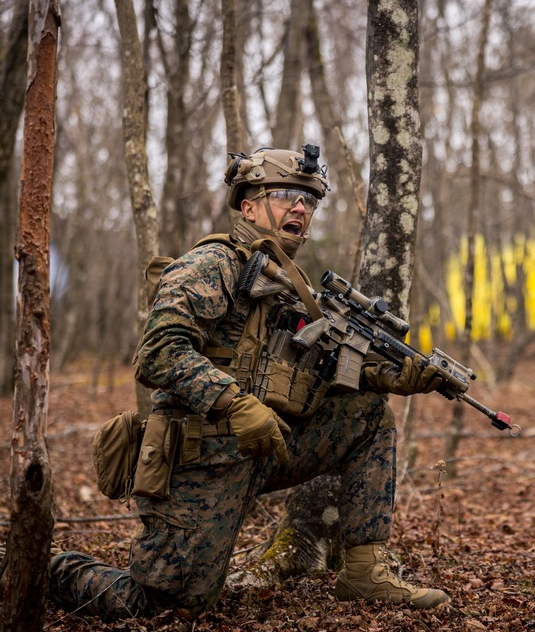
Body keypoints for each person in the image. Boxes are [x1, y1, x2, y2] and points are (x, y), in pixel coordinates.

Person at [48, 145, 450, 620]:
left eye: (309, 200)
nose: (300, 207)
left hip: (262, 451)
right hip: (197, 464)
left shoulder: (289, 282)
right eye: (285, 195)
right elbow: (158, 353)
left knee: (367, 417)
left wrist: (393, 376)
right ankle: (51, 569)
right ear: (249, 206)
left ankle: (364, 571)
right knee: (165, 606)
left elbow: (319, 369)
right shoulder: (213, 264)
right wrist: (235, 404)